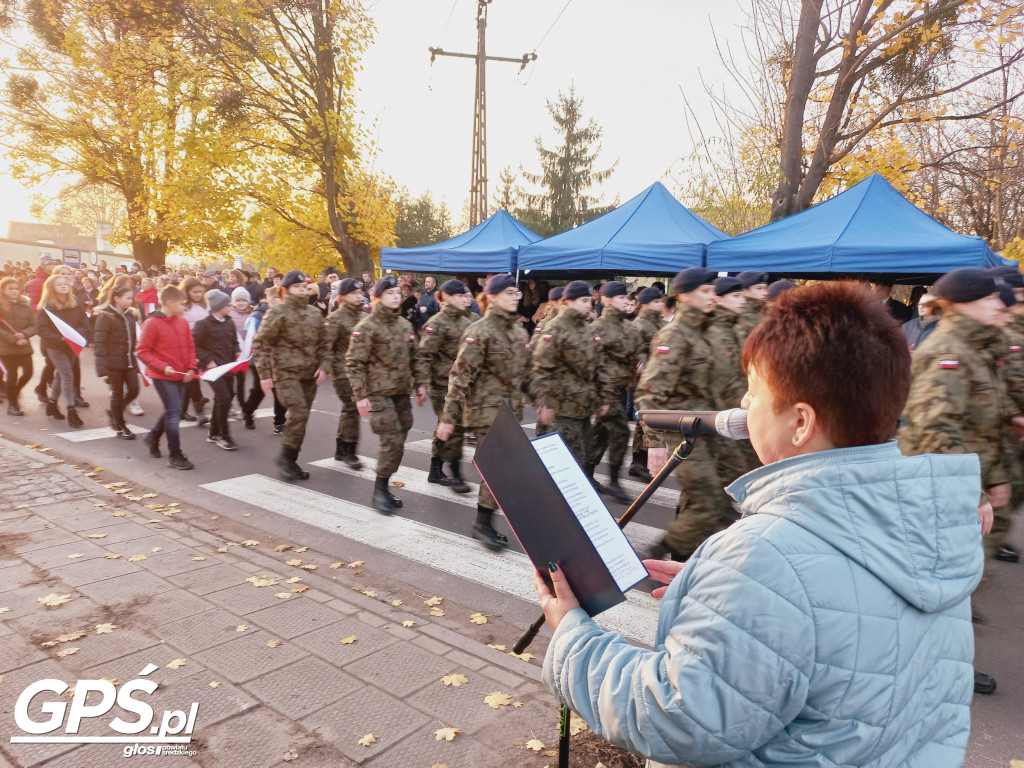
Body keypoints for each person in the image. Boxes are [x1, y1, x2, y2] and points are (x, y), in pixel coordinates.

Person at [535, 280, 982, 768]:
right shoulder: (932, 528)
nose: (744, 408)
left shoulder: (765, 558)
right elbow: (847, 629)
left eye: (754, 393)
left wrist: (572, 635)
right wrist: (735, 602)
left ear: (800, 423)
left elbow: (674, 720)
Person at [898, 268, 1020, 696]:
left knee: (954, 585)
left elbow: (985, 423)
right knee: (942, 585)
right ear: (965, 302)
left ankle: (941, 661)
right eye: (990, 299)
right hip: (942, 491)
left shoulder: (973, 349)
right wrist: (975, 494)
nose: (999, 306)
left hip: (963, 484)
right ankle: (936, 667)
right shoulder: (947, 352)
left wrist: (998, 478)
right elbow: (935, 434)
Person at [636, 267, 730, 561]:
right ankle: (662, 551)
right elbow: (650, 393)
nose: (712, 295)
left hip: (710, 431)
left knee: (707, 499)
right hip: (685, 434)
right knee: (709, 503)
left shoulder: (706, 332)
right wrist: (653, 444)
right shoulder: (675, 335)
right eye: (705, 291)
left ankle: (681, 557)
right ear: (685, 295)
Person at [436, 274, 532, 550]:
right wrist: (448, 416)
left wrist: (542, 401)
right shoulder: (480, 330)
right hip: (485, 411)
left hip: (509, 410)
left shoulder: (517, 331)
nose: (516, 297)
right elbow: (459, 377)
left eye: (518, 293)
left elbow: (524, 374)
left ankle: (486, 521)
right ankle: (482, 523)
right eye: (510, 292)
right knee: (498, 468)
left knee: (504, 470)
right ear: (491, 296)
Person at [345, 275, 427, 514]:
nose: (395, 296)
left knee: (399, 441)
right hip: (378, 394)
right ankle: (379, 491)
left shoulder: (403, 325)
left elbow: (416, 357)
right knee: (391, 440)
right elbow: (354, 363)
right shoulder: (366, 327)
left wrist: (420, 384)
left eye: (397, 292)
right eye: (389, 292)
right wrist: (360, 396)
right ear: (377, 297)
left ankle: (384, 485)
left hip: (401, 393)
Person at [253, 270, 328, 480]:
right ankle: (286, 458)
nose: (302, 290)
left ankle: (291, 460)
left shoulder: (314, 314)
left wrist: (324, 365)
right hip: (286, 374)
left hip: (309, 375)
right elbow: (261, 343)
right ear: (285, 290)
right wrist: (264, 374)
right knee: (299, 413)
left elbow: (324, 344)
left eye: (304, 287)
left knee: (301, 419)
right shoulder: (277, 312)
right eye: (297, 287)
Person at [532, 280, 609, 475]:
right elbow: (542, 368)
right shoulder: (555, 328)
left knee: (580, 460)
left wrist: (603, 397)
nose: (588, 305)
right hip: (562, 409)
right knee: (564, 466)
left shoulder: (587, 329)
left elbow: (598, 366)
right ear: (568, 301)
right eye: (583, 300)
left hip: (583, 409)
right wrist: (544, 403)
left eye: (590, 300)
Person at [417, 279, 476, 493]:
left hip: (467, 385)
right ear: (448, 297)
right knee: (454, 426)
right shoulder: (437, 323)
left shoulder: (474, 320)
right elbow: (424, 356)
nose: (466, 299)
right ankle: (456, 474)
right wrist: (421, 384)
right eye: (461, 295)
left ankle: (436, 468)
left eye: (467, 295)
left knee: (452, 427)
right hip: (443, 385)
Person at [586, 281, 641, 503]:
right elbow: (592, 365)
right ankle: (615, 482)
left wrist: (641, 362)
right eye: (619, 298)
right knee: (620, 433)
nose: (625, 301)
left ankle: (586, 473)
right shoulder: (598, 328)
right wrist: (602, 397)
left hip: (621, 390)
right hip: (604, 393)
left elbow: (639, 351)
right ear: (607, 300)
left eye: (626, 298)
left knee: (601, 434)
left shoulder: (629, 327)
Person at [136, 285, 198, 470]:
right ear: (169, 303)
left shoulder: (182, 322)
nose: (184, 308)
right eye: (181, 304)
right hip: (162, 375)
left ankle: (153, 437)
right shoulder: (152, 323)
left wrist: (191, 368)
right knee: (174, 412)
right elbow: (142, 351)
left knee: (173, 410)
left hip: (181, 374)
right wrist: (164, 367)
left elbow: (190, 347)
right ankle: (175, 454)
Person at [36, 273, 89, 428]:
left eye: (65, 283)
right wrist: (59, 338)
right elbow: (41, 329)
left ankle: (52, 403)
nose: (63, 285)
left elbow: (85, 323)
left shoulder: (76, 303)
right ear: (52, 288)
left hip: (73, 345)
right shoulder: (47, 307)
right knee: (67, 375)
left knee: (60, 375)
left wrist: (78, 335)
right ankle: (71, 410)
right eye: (59, 284)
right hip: (55, 346)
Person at [323, 278, 366, 468]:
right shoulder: (335, 318)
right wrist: (324, 368)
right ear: (343, 296)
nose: (359, 296)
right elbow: (326, 347)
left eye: (360, 293)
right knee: (353, 407)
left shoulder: (365, 317)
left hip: (360, 373)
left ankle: (340, 449)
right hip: (341, 372)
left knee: (348, 409)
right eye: (354, 293)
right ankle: (349, 451)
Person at [92, 285, 141, 440]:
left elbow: (133, 339)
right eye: (127, 297)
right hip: (113, 363)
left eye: (131, 297)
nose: (131, 300)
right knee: (117, 393)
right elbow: (99, 342)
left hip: (129, 360)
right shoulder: (105, 316)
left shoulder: (131, 315)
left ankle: (115, 412)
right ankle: (120, 425)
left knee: (134, 390)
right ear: (117, 299)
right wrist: (103, 367)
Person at [192, 289, 239, 450]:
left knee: (224, 398)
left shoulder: (229, 321)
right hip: (213, 369)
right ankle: (223, 435)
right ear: (219, 307)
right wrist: (207, 360)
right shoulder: (203, 324)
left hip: (228, 366)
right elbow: (195, 345)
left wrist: (237, 349)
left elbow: (234, 339)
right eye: (228, 304)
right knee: (224, 399)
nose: (231, 306)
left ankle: (213, 433)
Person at [627, 286, 664, 480]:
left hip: (658, 378)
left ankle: (639, 462)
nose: (660, 304)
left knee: (645, 423)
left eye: (660, 301)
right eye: (656, 301)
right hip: (644, 380)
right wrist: (642, 360)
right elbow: (635, 349)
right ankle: (641, 462)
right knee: (646, 420)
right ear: (646, 303)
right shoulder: (640, 324)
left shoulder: (661, 323)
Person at [240, 286, 287, 434]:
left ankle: (279, 422)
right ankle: (247, 412)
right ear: (273, 299)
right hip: (261, 360)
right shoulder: (257, 316)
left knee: (280, 391)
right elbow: (254, 339)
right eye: (282, 298)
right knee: (259, 391)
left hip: (279, 359)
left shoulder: (283, 313)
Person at [0, 277, 35, 416]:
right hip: (6, 348)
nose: (14, 291)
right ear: (3, 290)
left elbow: (34, 325)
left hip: (24, 346)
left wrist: (24, 334)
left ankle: (13, 392)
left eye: (16, 288)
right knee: (12, 376)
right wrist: (13, 339)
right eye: (10, 289)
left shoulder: (25, 304)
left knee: (28, 373)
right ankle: (13, 405)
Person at [178, 277, 210, 424]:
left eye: (200, 291)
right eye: (194, 292)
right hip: (188, 346)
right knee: (193, 377)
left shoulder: (205, 305)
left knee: (189, 379)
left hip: (204, 345)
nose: (198, 294)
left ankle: (181, 411)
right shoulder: (183, 307)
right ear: (187, 291)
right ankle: (200, 413)